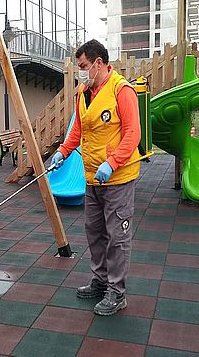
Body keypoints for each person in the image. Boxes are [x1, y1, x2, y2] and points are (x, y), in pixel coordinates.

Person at [51, 39, 141, 316]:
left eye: (83, 66)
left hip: (117, 179)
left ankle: (117, 292)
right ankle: (101, 281)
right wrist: (63, 151)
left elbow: (133, 134)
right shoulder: (84, 92)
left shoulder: (121, 90)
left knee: (117, 237)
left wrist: (112, 163)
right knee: (95, 232)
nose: (81, 71)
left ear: (98, 63)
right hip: (92, 178)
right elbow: (78, 129)